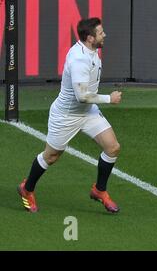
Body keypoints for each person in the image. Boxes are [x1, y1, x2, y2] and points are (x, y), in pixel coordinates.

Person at [17, 18, 123, 214]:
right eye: (101, 33)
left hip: (87, 112)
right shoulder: (79, 60)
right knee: (51, 156)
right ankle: (27, 188)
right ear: (90, 38)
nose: (104, 35)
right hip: (66, 115)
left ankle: (99, 190)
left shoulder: (92, 50)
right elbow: (82, 96)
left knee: (113, 147)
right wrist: (110, 99)